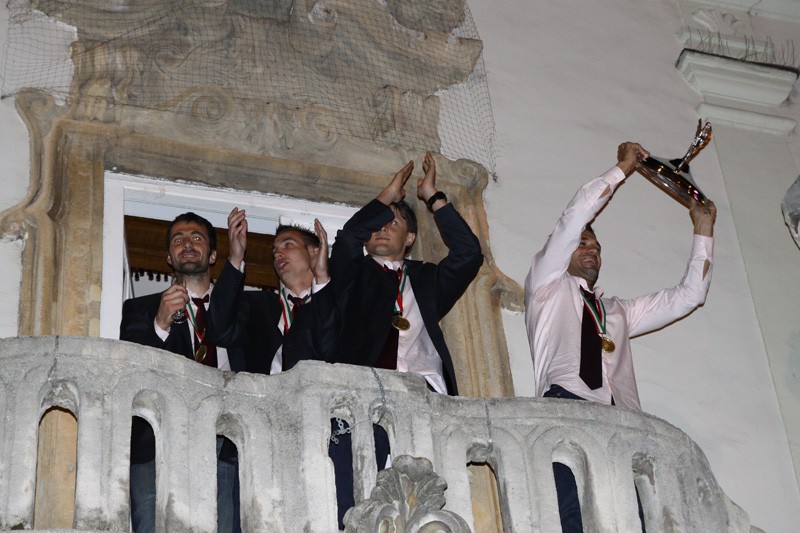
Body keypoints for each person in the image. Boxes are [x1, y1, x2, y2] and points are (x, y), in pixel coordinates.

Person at [524, 142, 717, 532]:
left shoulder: (618, 312)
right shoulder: (545, 286)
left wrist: (703, 228)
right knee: (574, 514)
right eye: (583, 243)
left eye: (596, 246)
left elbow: (689, 296)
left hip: (625, 421)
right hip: (567, 404)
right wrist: (623, 168)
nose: (592, 249)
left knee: (634, 519)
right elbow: (575, 216)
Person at [120, 212, 244, 533]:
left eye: (196, 238)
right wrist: (160, 323)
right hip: (156, 445)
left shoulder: (241, 310)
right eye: (178, 239)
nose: (187, 244)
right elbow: (129, 374)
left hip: (223, 443)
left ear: (213, 255)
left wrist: (237, 260)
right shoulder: (139, 309)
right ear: (169, 257)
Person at [330, 151, 483, 395]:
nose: (382, 229)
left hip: (425, 389)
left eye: (392, 223)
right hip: (365, 389)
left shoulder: (427, 279)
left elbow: (469, 254)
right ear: (366, 238)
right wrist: (388, 194)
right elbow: (348, 238)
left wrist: (432, 196)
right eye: (376, 225)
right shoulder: (352, 274)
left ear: (409, 238)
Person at [207, 208, 337, 375]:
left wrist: (321, 278)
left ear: (314, 252)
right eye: (274, 252)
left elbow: (330, 351)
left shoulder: (335, 303)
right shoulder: (257, 305)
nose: (278, 254)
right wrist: (236, 257)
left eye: (288, 245)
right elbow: (220, 331)